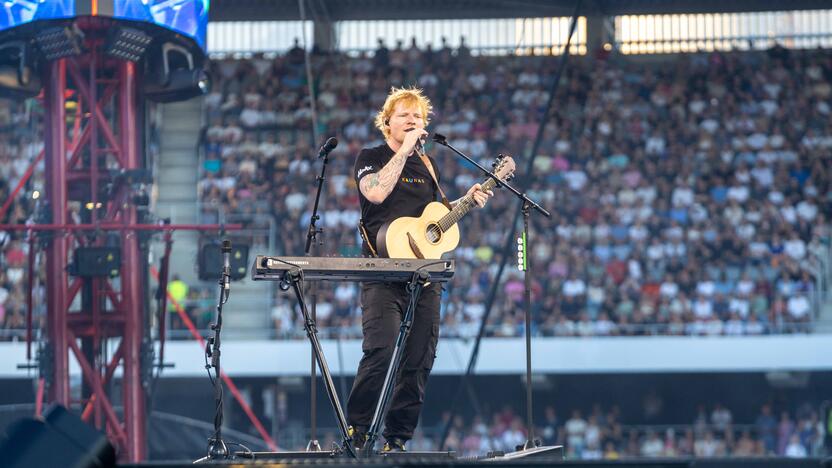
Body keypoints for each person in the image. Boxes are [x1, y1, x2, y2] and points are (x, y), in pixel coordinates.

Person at [347, 87, 491, 452]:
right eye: (404, 115)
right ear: (387, 122)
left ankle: (397, 439)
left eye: (418, 117)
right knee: (380, 351)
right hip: (382, 272)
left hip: (424, 275)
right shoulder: (372, 156)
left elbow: (433, 222)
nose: (412, 121)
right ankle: (358, 429)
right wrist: (405, 150)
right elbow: (376, 194)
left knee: (419, 358)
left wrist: (466, 201)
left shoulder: (429, 165)